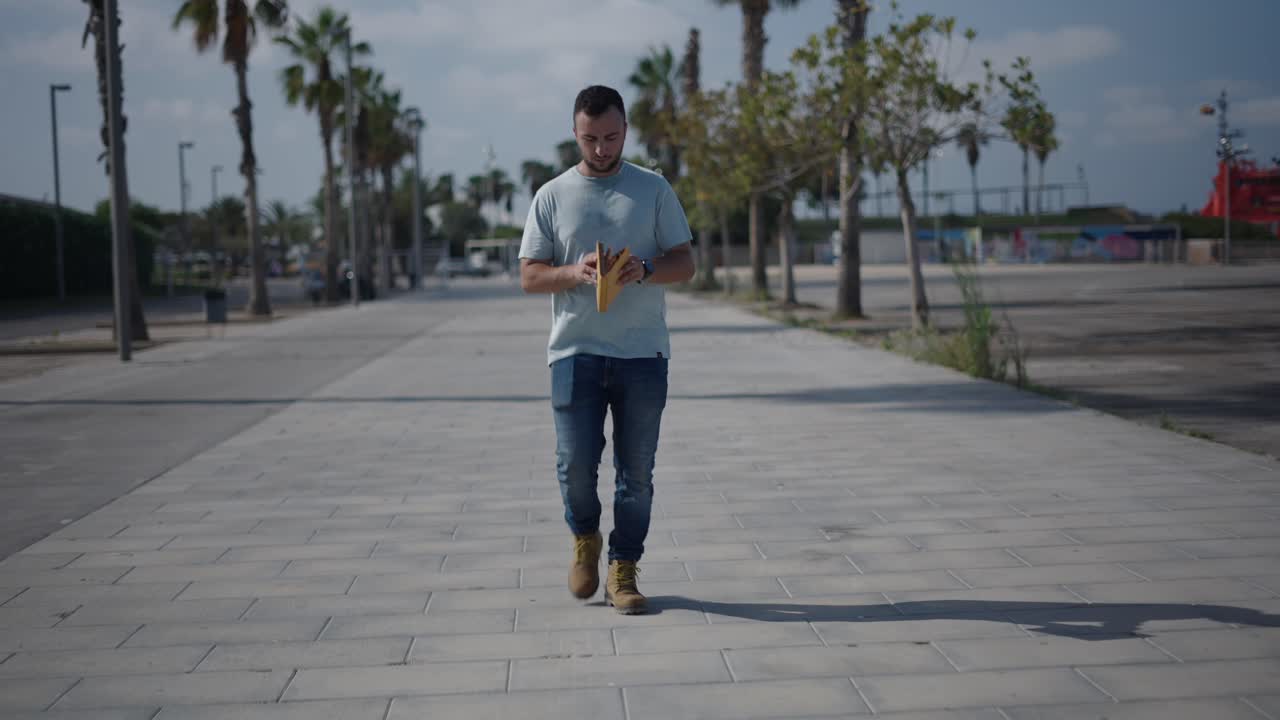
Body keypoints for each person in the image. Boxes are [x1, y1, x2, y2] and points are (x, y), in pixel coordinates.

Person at [518, 85, 695, 614]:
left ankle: (623, 568)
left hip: (643, 354)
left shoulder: (653, 189)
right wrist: (575, 271)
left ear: (626, 130)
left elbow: (685, 263)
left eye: (611, 137)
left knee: (636, 472)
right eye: (590, 138)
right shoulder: (551, 195)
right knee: (574, 465)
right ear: (575, 133)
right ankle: (585, 537)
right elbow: (529, 276)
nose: (601, 148)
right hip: (574, 352)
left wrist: (644, 270)